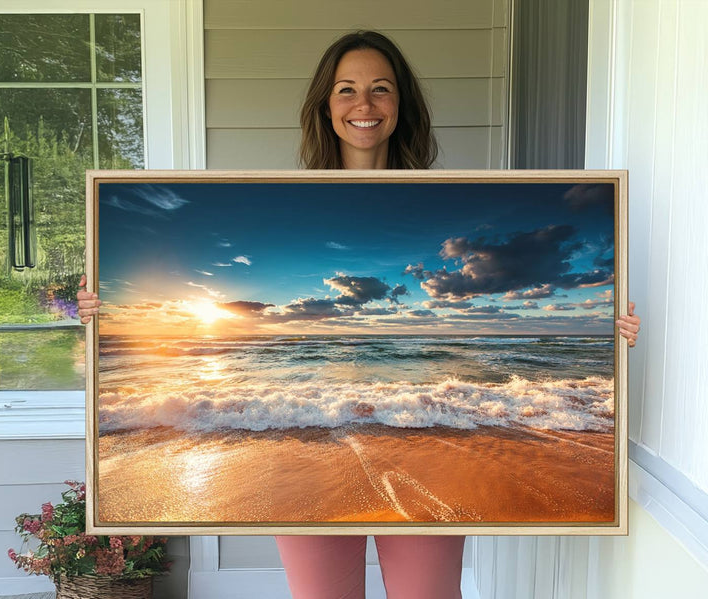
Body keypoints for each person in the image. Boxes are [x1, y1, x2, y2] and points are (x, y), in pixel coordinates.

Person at [77, 30, 641, 599]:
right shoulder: (285, 198)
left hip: (425, 445)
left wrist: (608, 327)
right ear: (326, 105)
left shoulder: (450, 198)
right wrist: (97, 309)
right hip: (308, 443)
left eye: (381, 89)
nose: (364, 105)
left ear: (401, 105)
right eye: (346, 90)